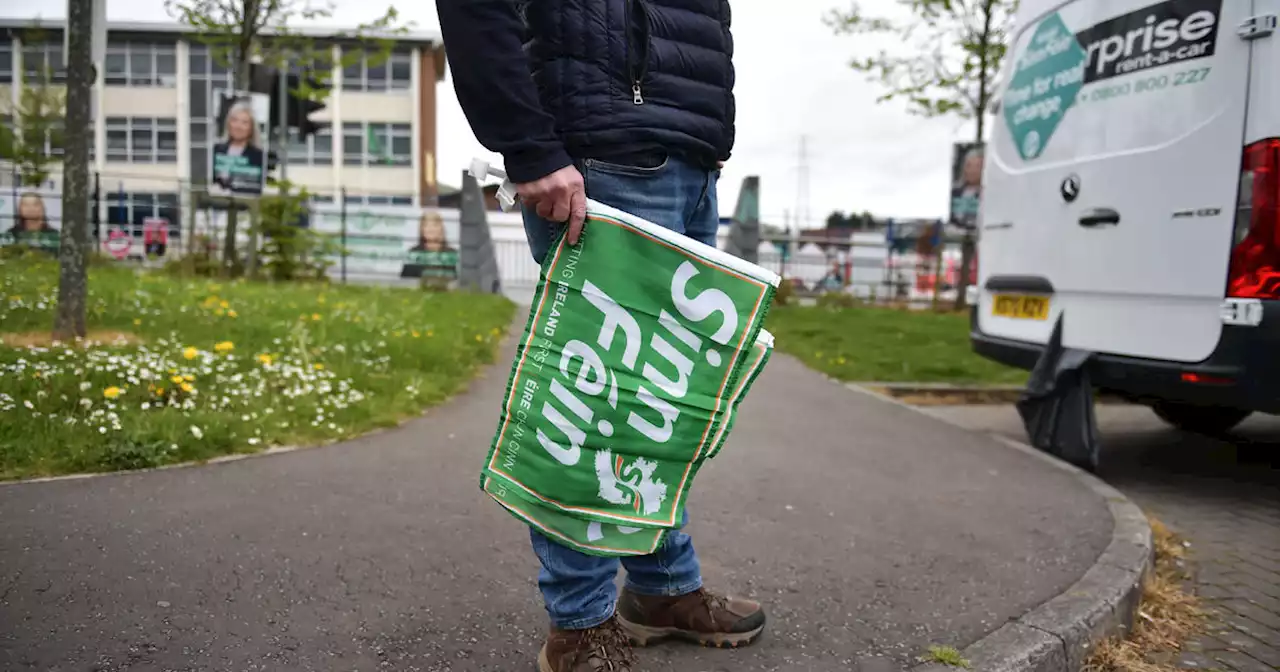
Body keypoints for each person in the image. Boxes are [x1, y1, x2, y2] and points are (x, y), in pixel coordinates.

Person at [436, 1, 764, 670]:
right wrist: (527, 144)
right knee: (595, 394)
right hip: (604, 154)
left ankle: (663, 587)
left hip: (692, 158)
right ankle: (579, 624)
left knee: (660, 400)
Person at [211, 97, 266, 195]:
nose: (238, 126)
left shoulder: (258, 156)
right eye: (234, 120)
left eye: (244, 122)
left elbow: (256, 188)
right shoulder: (216, 150)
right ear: (228, 123)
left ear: (251, 128)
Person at [400, 211, 458, 279]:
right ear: (422, 230)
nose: (430, 229)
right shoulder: (414, 254)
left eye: (435, 225)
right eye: (426, 225)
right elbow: (406, 281)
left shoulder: (452, 254)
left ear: (441, 229)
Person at [950, 146, 983, 229]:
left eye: (977, 166)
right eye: (968, 166)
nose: (972, 170)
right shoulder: (954, 192)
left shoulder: (987, 194)